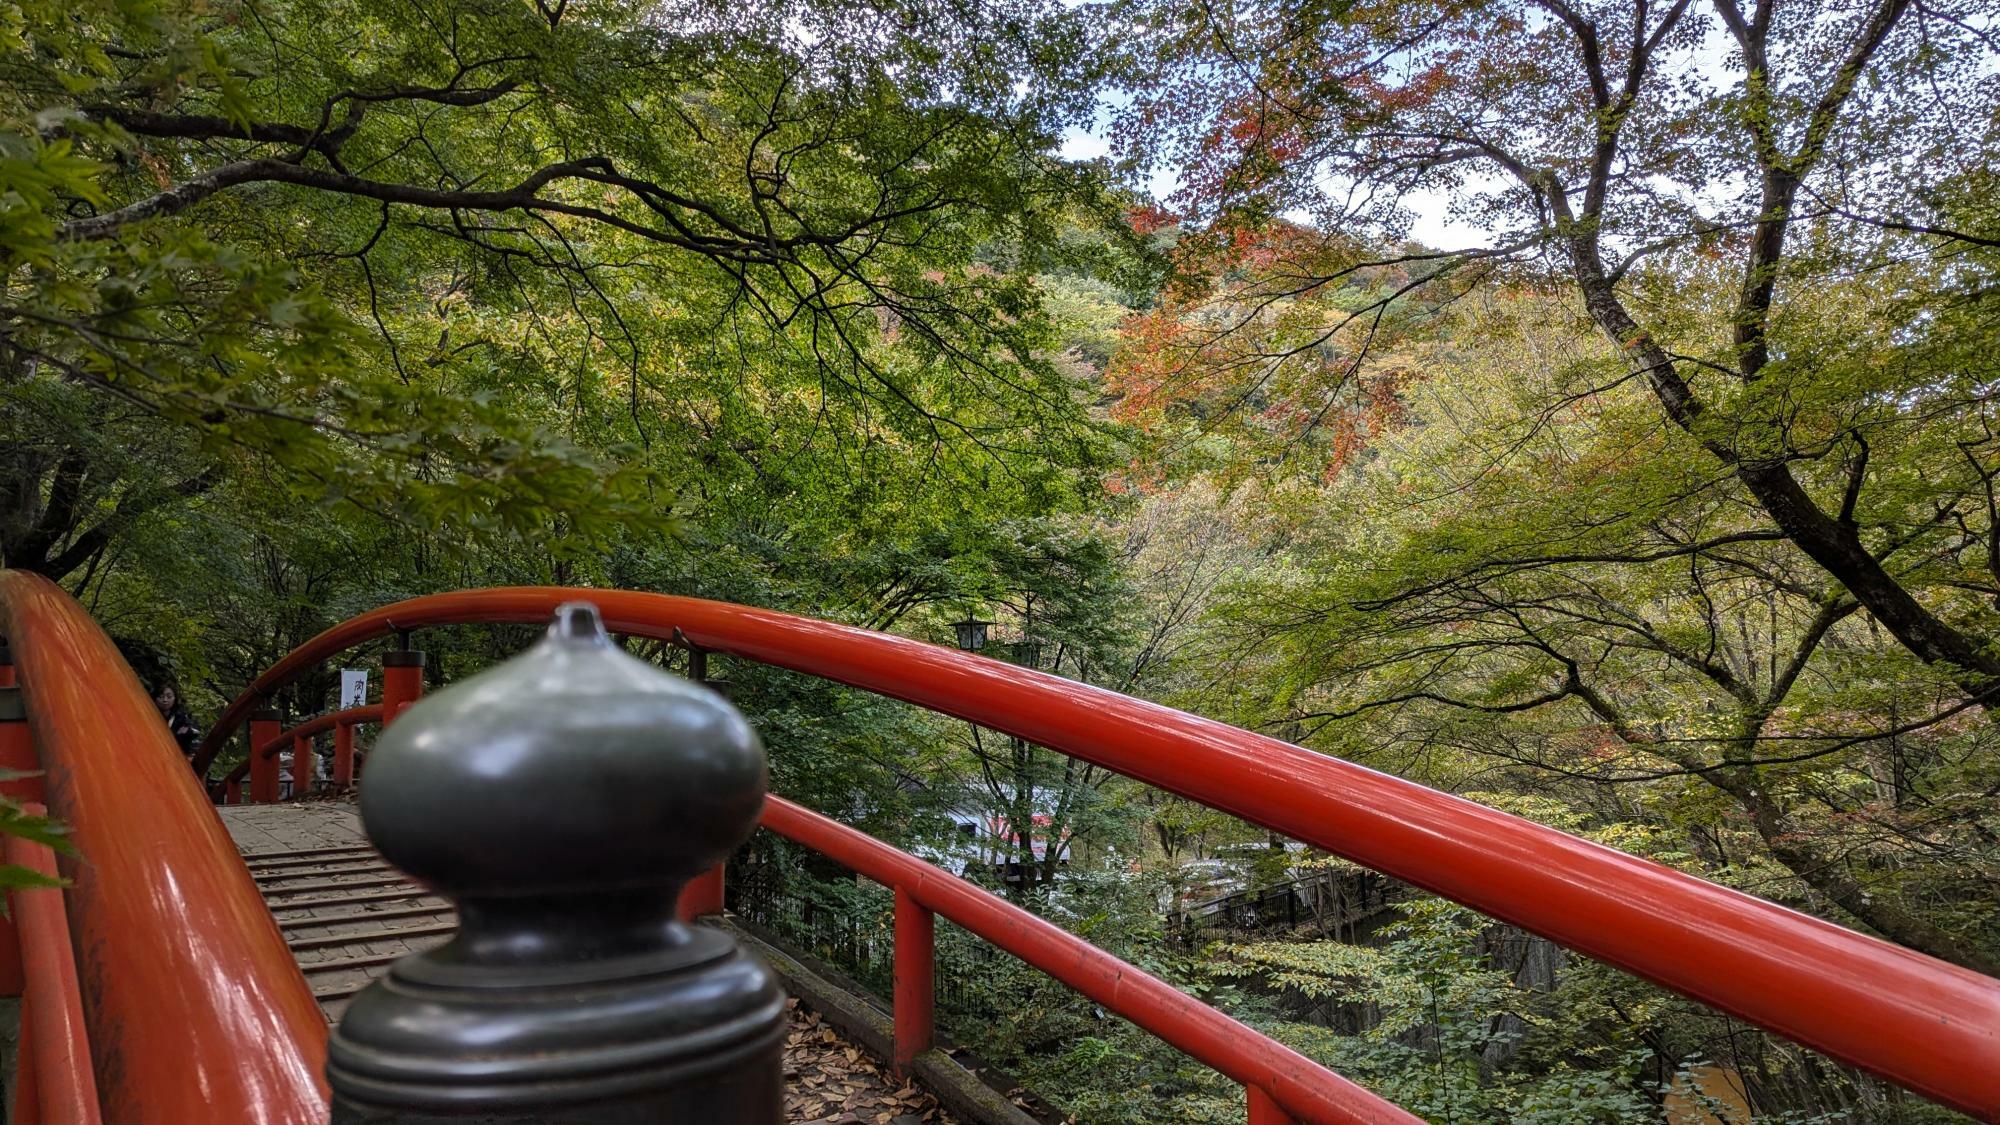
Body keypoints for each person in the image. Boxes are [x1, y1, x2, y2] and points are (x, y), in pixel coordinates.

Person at [153, 683, 202, 763]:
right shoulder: (149, 713)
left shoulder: (181, 717)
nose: (165, 700)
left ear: (175, 698)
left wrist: (186, 732)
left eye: (169, 697)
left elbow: (194, 733)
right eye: (161, 697)